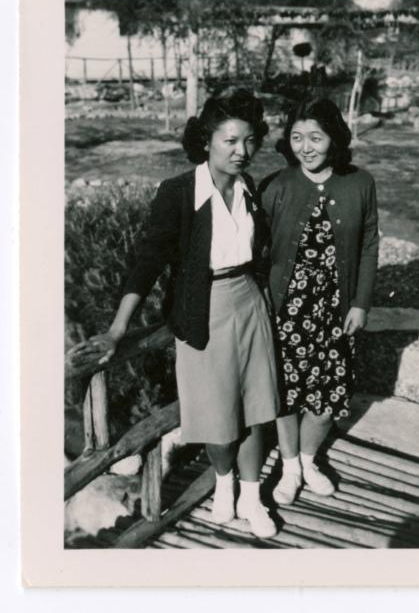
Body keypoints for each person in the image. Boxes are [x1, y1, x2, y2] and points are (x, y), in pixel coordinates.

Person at [78, 89, 280, 538]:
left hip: (248, 303)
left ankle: (250, 496)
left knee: (255, 410)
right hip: (201, 312)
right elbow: (147, 263)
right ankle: (223, 486)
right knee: (217, 415)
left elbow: (262, 254)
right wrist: (116, 331)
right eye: (230, 140)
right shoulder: (179, 193)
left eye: (249, 141)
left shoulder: (250, 190)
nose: (241, 151)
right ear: (206, 139)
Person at [258, 96, 379, 506]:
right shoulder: (275, 185)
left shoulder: (360, 183)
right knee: (286, 392)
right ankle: (290, 467)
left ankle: (310, 461)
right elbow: (257, 250)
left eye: (315, 137)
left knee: (327, 396)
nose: (305, 146)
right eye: (296, 137)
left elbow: (368, 246)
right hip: (285, 310)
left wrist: (360, 303)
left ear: (334, 138)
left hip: (335, 310)